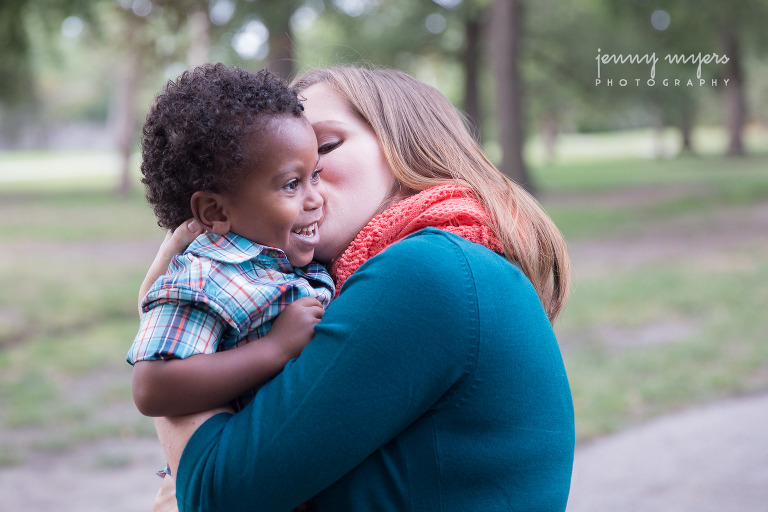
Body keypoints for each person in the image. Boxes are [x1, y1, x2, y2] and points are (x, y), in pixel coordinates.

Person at [146, 66, 575, 512]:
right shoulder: (451, 267)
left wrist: (166, 322)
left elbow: (219, 495)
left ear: (407, 144)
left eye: (324, 147)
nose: (298, 178)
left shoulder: (428, 272)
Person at [128, 64, 333, 432]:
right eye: (291, 184)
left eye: (314, 174)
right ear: (215, 211)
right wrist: (274, 349)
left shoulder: (286, 256)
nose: (316, 198)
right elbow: (151, 386)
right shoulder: (203, 277)